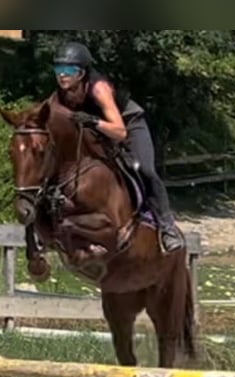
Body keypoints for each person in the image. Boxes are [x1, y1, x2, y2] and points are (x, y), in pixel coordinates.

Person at [50, 41, 184, 253]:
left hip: (128, 125)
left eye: (69, 70)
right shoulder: (60, 92)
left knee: (145, 170)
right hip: (98, 130)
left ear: (82, 73)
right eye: (58, 69)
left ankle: (167, 227)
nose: (62, 75)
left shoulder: (99, 89)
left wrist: (93, 122)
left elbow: (120, 132)